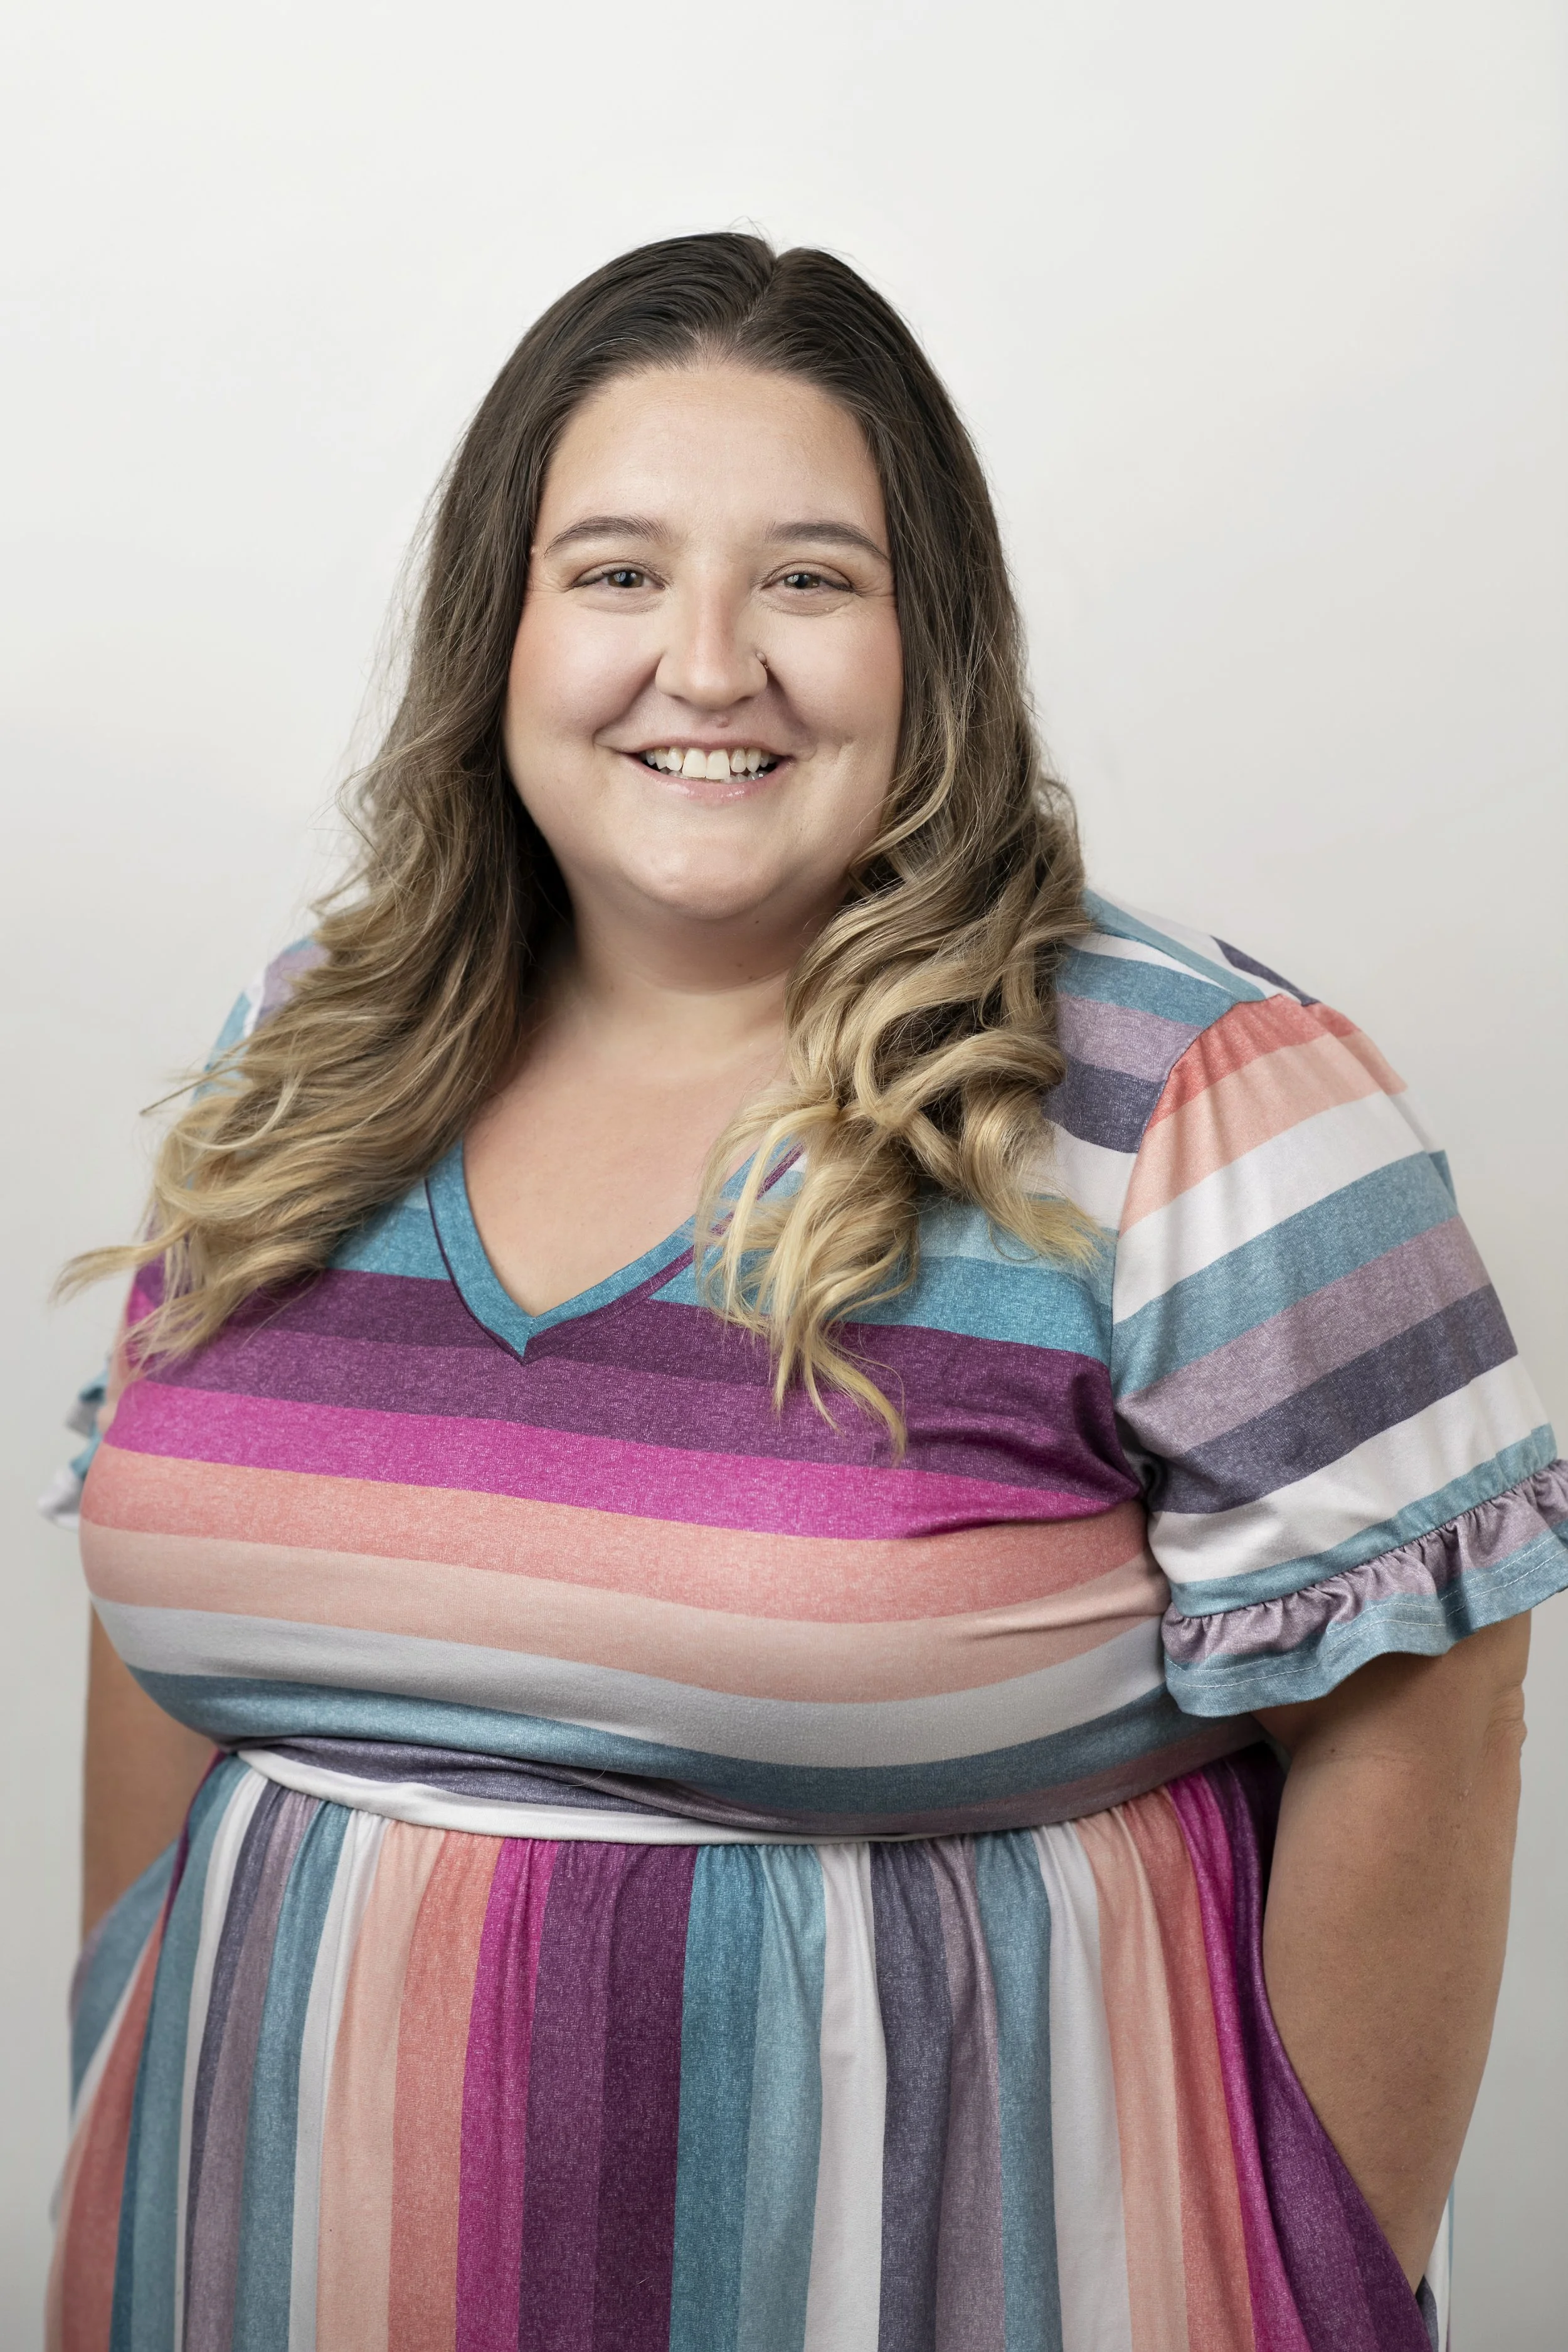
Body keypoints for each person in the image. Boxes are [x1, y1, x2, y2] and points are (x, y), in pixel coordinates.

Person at [46, 232, 1565, 2352]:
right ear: (496, 625)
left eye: (808, 578)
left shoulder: (1195, 1096)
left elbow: (1427, 1720)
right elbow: (161, 1619)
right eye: (614, 571)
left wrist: (1309, 2281)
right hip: (255, 2255)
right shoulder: (312, 1050)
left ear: (930, 640)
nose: (708, 662)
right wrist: (126, 2028)